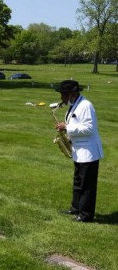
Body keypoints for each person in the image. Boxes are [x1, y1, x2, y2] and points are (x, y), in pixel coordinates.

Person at [55, 80, 103, 223]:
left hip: (88, 152)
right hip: (79, 150)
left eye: (63, 94)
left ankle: (86, 215)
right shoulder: (74, 105)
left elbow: (89, 128)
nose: (61, 98)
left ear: (73, 94)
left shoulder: (86, 105)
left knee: (87, 185)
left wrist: (67, 128)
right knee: (78, 181)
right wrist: (68, 137)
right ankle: (76, 208)